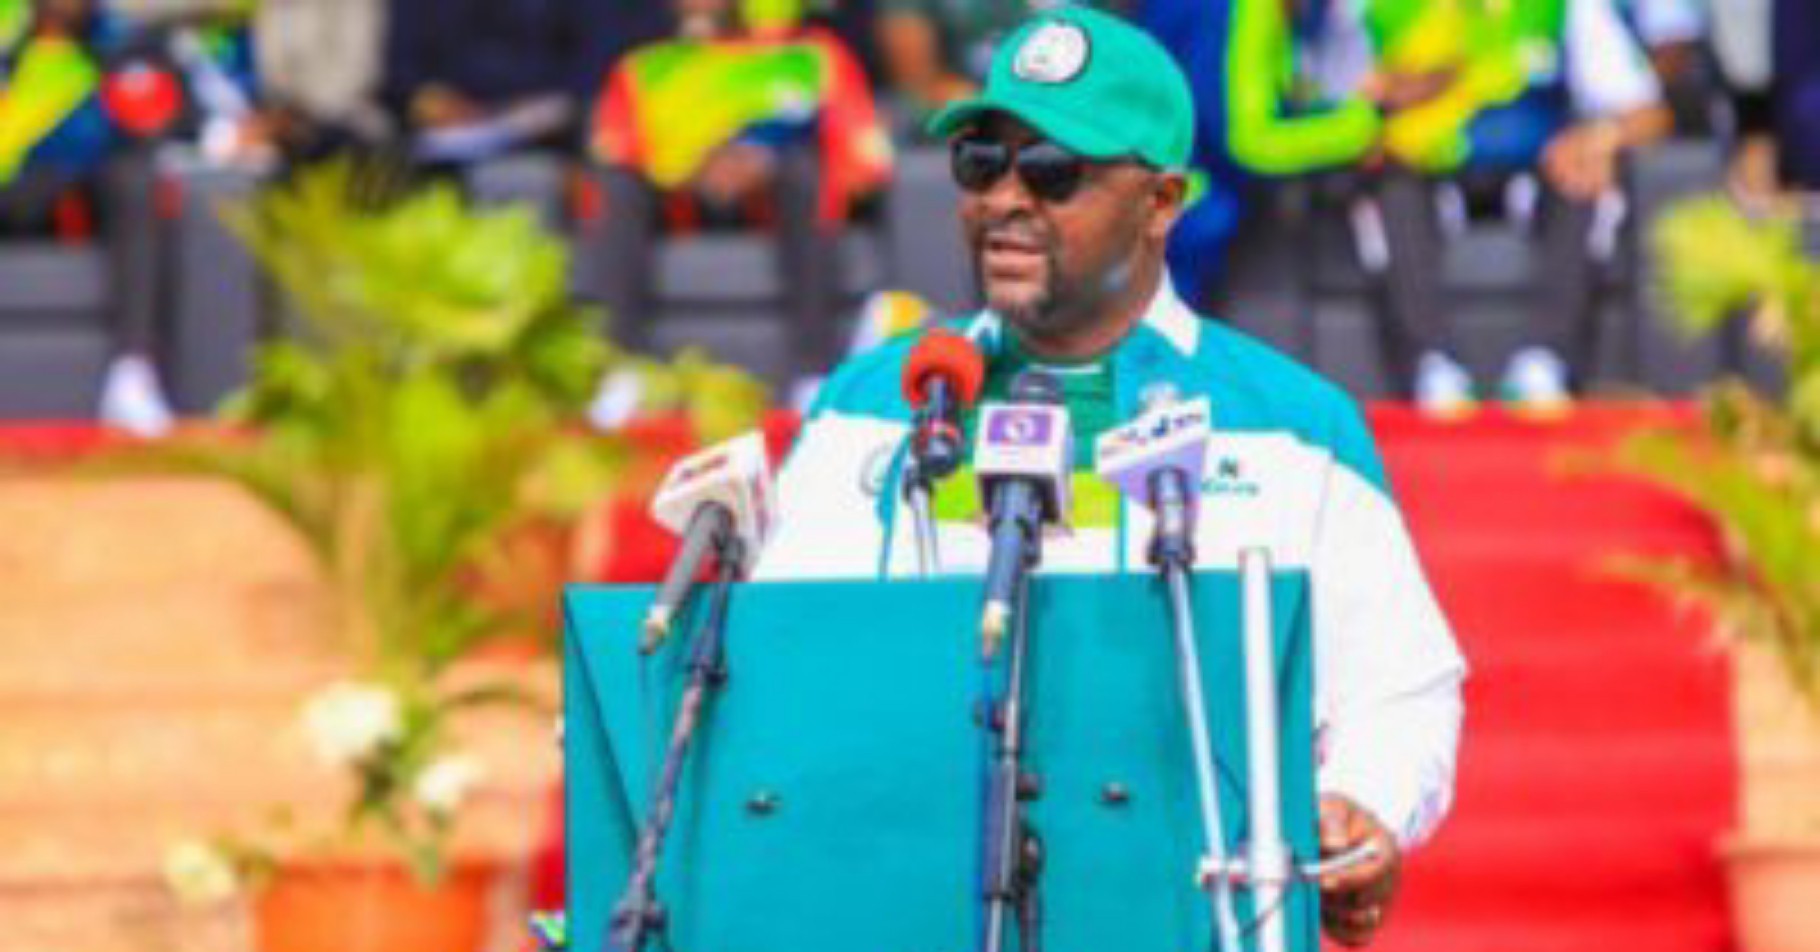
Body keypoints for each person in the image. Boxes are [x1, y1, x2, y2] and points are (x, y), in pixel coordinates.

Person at [754, 7, 1465, 946]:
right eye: (982, 161)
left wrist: (1361, 805)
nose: (1005, 198)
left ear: (1161, 202)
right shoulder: (869, 403)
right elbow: (775, 666)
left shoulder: (1296, 426)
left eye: (1053, 171)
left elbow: (1401, 686)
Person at [590, 0, 892, 386]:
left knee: (804, 172)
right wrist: (689, 171)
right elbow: (614, 147)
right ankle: (620, 374)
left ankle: (811, 374)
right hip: (679, 205)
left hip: (777, 207)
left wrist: (765, 164)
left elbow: (865, 158)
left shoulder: (812, 56)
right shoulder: (646, 66)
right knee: (619, 186)